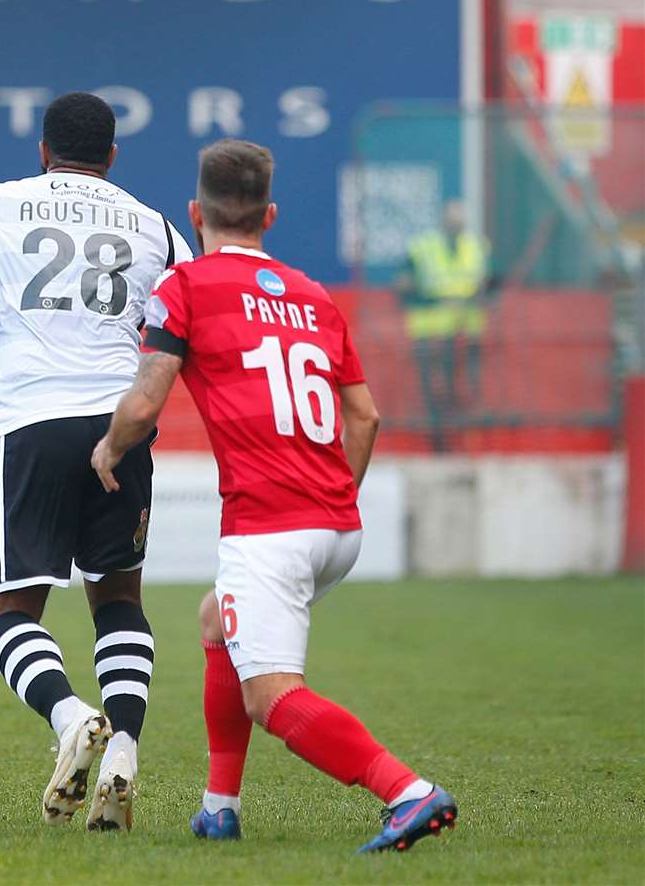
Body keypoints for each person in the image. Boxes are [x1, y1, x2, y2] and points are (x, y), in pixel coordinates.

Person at [91, 139, 457, 854]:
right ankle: (218, 807)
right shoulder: (315, 296)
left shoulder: (186, 286)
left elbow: (142, 405)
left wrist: (107, 450)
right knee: (214, 622)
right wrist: (328, 499)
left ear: (194, 213)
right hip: (335, 526)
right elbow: (366, 417)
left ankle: (406, 792)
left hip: (271, 529)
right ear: (270, 214)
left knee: (270, 696)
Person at [0, 93, 190, 831]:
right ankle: (124, 749)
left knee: (2, 610)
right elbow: (193, 318)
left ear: (42, 150)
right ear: (112, 157)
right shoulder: (156, 225)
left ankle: (70, 718)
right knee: (118, 597)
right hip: (121, 428)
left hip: (32, 426)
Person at [396, 199, 490, 448]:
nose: (455, 226)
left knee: (461, 393)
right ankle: (438, 442)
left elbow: (486, 287)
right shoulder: (423, 248)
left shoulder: (476, 247)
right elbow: (404, 285)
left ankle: (459, 440)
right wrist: (437, 301)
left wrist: (468, 303)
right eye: (451, 221)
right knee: (432, 395)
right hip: (429, 333)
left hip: (464, 335)